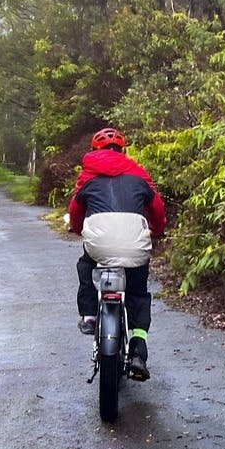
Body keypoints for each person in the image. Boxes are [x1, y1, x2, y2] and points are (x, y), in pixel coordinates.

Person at [67, 127, 166, 377]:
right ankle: (139, 348)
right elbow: (156, 208)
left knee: (86, 266)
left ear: (94, 150)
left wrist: (77, 229)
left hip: (99, 245)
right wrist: (158, 229)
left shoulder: (88, 176)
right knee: (137, 292)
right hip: (135, 244)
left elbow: (76, 210)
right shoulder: (138, 174)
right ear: (122, 150)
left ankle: (89, 316)